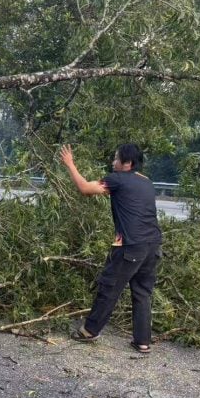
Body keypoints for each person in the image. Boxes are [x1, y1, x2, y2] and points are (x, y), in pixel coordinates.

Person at [60, 143, 162, 352]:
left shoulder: (118, 179)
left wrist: (70, 164)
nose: (113, 162)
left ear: (128, 163)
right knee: (142, 292)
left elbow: (85, 189)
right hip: (153, 245)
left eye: (116, 159)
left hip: (130, 246)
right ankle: (143, 342)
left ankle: (90, 331)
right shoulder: (147, 182)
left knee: (109, 287)